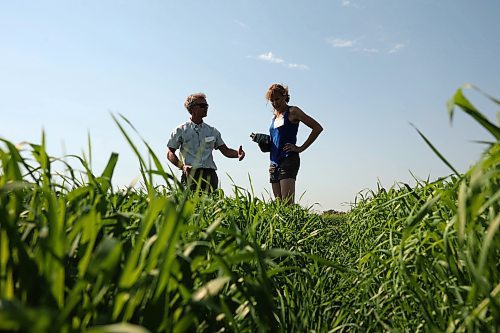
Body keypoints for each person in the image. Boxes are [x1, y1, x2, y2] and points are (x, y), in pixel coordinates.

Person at [167, 92, 245, 192]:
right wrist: (182, 166)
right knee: (190, 206)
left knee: (212, 206)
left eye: (207, 105)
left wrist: (237, 154)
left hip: (210, 175)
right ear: (192, 108)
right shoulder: (180, 130)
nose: (206, 108)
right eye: (203, 105)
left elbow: (225, 151)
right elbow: (170, 153)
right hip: (190, 173)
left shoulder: (212, 131)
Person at [263, 83, 323, 204]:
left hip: (288, 159)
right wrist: (264, 143)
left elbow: (317, 128)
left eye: (277, 99)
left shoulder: (293, 111)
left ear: (285, 96)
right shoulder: (274, 117)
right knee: (278, 205)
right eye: (272, 101)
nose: (275, 103)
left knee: (287, 204)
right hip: (274, 162)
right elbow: (277, 139)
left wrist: (300, 148)